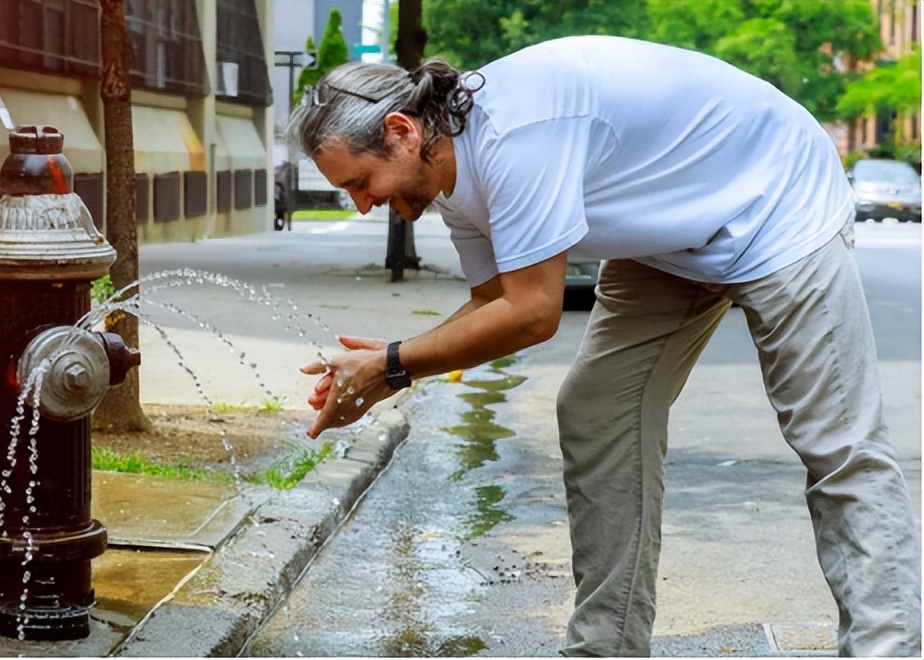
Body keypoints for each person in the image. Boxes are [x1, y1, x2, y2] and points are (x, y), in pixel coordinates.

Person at [285, 35, 921, 657]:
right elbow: (491, 305)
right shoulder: (452, 176)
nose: (364, 205)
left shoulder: (515, 137)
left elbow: (533, 314)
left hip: (777, 201)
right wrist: (390, 363)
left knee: (836, 440)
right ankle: (606, 648)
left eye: (361, 181)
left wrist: (392, 365)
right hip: (673, 234)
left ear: (401, 131)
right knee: (596, 410)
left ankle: (886, 646)